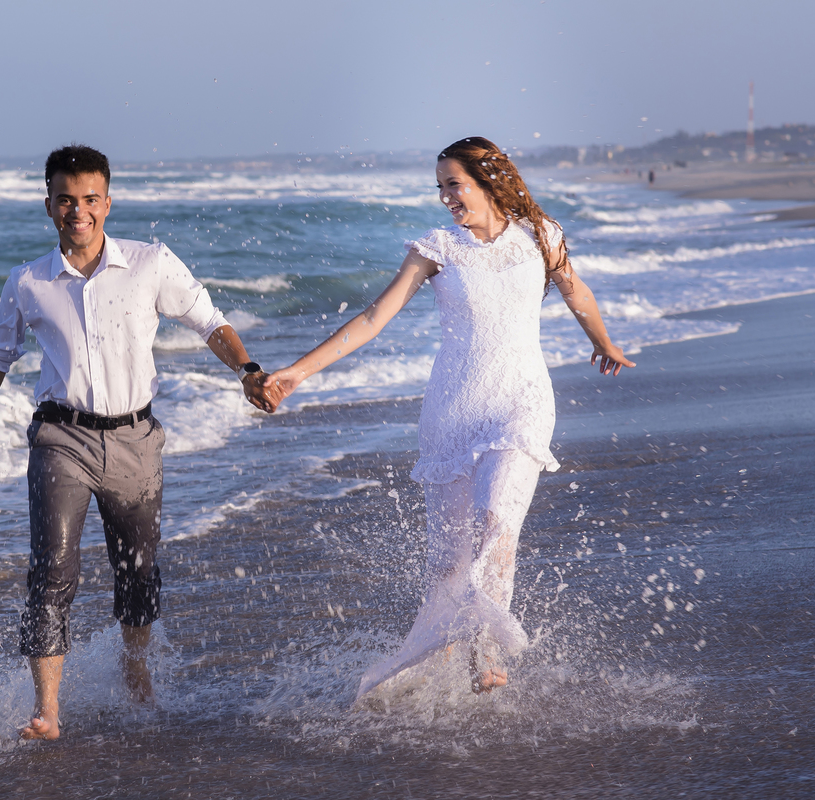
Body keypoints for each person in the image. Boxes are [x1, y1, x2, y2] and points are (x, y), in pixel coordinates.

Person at [260, 136, 634, 698]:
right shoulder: (436, 249)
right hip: (454, 410)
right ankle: (439, 656)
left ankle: (486, 646)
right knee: (449, 564)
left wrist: (602, 341)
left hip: (522, 400)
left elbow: (574, 289)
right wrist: (298, 372)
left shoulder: (541, 235)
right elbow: (373, 318)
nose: (445, 198)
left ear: (488, 182)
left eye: (454, 184)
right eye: (439, 187)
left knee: (497, 518)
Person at [0, 144, 272, 740]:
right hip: (61, 438)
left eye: (90, 199)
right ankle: (47, 709)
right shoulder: (28, 281)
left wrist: (247, 370)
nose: (78, 211)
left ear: (107, 202)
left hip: (134, 441)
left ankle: (135, 668)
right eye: (66, 200)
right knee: (52, 569)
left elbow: (209, 320)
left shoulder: (151, 263)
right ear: (48, 205)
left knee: (138, 571)